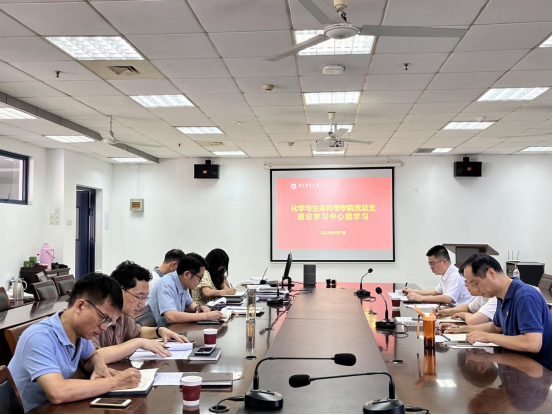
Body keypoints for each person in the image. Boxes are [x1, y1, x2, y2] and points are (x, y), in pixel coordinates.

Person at [8, 273, 142, 413]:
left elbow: (91, 356)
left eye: (108, 322)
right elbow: (57, 392)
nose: (104, 327)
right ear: (80, 306)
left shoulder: (79, 332)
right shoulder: (39, 337)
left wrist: (99, 365)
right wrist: (115, 382)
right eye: (104, 318)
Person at [442, 254, 552, 371]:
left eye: (475, 283)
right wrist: (462, 329)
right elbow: (496, 327)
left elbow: (532, 344)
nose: (476, 289)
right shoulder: (501, 297)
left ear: (491, 273)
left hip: (539, 371)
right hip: (516, 364)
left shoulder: (525, 296)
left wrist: (489, 337)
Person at [93, 261, 189, 364]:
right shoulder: (96, 316)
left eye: (145, 298)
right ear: (119, 290)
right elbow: (92, 357)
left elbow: (137, 332)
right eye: (139, 297)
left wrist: (160, 331)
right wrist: (138, 343)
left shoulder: (124, 315)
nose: (142, 304)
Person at [148, 253, 223, 326]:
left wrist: (198, 308)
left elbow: (190, 304)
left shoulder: (183, 282)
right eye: (200, 277)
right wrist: (205, 316)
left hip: (173, 328)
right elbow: (171, 316)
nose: (200, 281)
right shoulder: (166, 284)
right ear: (187, 274)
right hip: (159, 331)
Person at [404, 245, 473, 305]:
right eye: (430, 264)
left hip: (462, 310)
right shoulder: (447, 273)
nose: (431, 267)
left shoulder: (455, 276)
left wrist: (421, 298)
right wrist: (414, 291)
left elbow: (448, 298)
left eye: (432, 264)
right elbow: (436, 291)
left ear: (444, 262)